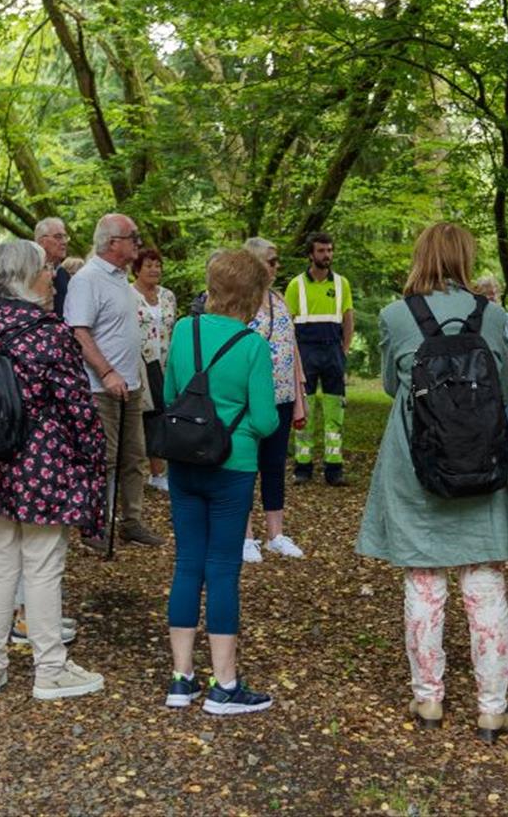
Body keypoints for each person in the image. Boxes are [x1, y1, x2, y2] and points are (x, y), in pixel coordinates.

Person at [356, 222, 508, 740]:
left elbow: (392, 385)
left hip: (417, 466)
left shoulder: (395, 316)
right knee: (484, 586)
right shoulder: (495, 317)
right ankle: (491, 708)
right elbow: (501, 387)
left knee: (424, 585)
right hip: (483, 462)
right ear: (465, 259)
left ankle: (428, 700)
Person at [0, 238, 108, 701]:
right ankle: (50, 670)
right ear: (23, 277)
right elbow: (78, 409)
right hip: (43, 466)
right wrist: (93, 459)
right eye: (45, 269)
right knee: (43, 566)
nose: (51, 276)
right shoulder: (49, 331)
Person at [160, 249, 281, 714]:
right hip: (233, 465)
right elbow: (268, 419)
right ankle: (224, 685)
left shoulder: (183, 331)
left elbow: (171, 395)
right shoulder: (252, 346)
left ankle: (181, 677)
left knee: (187, 562)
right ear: (252, 295)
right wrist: (238, 430)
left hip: (183, 462)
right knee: (223, 568)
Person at [66, 213, 164, 548]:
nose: (138, 242)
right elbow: (79, 331)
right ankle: (96, 525)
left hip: (130, 385)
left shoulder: (120, 277)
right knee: (102, 459)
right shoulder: (87, 278)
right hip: (100, 388)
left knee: (134, 456)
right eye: (132, 237)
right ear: (112, 243)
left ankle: (131, 521)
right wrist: (106, 372)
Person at [240, 237, 307, 562]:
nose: (277, 266)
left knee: (274, 464)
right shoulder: (238, 301)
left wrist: (298, 397)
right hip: (248, 398)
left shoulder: (278, 299)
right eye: (271, 260)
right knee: (246, 465)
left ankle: (275, 534)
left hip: (282, 395)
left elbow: (291, 349)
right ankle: (245, 535)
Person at [285, 232, 353, 485]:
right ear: (311, 254)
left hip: (333, 351)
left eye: (330, 250)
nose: (327, 255)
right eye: (322, 251)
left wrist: (344, 351)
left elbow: (348, 318)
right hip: (306, 352)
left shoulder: (341, 284)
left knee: (335, 411)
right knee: (305, 410)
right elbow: (288, 323)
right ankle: (303, 467)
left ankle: (334, 468)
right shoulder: (296, 285)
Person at [132, 246, 178, 493]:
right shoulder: (129, 295)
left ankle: (163, 468)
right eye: (149, 265)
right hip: (141, 362)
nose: (154, 270)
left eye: (157, 265)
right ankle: (154, 470)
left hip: (167, 361)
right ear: (137, 269)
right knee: (149, 415)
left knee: (165, 412)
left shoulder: (168, 296)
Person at [474, 276, 508, 439]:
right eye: (487, 294)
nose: (492, 297)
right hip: (481, 384)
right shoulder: (473, 323)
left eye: (494, 293)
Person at [35, 216, 73, 317]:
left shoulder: (64, 274)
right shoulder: (30, 273)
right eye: (58, 237)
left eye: (65, 237)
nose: (64, 242)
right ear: (42, 241)